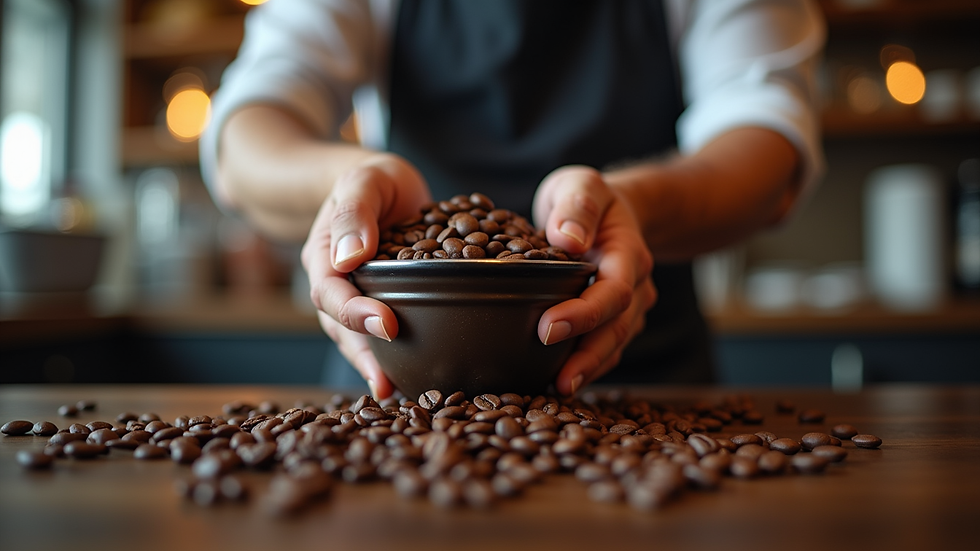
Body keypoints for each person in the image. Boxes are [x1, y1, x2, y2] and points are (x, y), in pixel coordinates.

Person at [201, 0, 825, 399]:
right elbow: (245, 137)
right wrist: (347, 187)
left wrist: (629, 204)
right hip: (395, 382)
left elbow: (767, 141)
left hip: (636, 386)